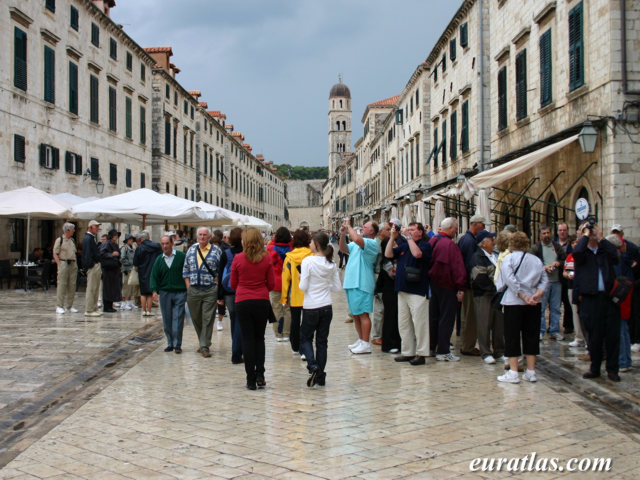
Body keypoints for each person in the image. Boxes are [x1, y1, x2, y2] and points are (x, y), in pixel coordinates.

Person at [496, 231, 547, 383]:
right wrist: (537, 293)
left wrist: (522, 294)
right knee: (531, 335)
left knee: (512, 336)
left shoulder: (509, 259)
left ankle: (513, 371)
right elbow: (544, 279)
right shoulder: (536, 260)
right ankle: (531, 371)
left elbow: (509, 280)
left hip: (513, 302)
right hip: (533, 303)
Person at [573, 221, 621, 382]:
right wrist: (585, 236)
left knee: (612, 335)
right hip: (590, 298)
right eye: (585, 230)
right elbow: (577, 252)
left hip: (608, 298)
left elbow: (616, 256)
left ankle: (613, 369)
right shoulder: (582, 252)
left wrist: (601, 238)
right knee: (594, 336)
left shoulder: (604, 250)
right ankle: (595, 367)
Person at [231, 228, 275, 390]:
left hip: (242, 301)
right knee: (259, 339)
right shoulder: (266, 259)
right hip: (261, 301)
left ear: (245, 241)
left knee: (247, 339)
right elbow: (271, 284)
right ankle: (260, 375)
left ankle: (250, 379)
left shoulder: (238, 258)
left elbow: (233, 284)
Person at [299, 232, 342, 387]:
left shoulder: (308, 261)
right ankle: (321, 376)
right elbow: (337, 287)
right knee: (322, 342)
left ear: (316, 244)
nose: (309, 244)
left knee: (305, 338)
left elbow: (303, 286)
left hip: (311, 306)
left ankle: (313, 365)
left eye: (311, 242)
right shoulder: (331, 263)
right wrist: (325, 286)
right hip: (326, 306)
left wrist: (300, 279)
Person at [386, 222, 432, 365]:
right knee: (404, 323)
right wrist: (392, 238)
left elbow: (417, 254)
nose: (410, 232)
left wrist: (409, 238)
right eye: (409, 229)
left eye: (412, 230)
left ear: (420, 232)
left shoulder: (425, 245)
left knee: (420, 324)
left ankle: (422, 353)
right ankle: (407, 351)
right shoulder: (405, 246)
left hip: (417, 290)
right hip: (402, 289)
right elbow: (388, 254)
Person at [340, 218, 380, 355]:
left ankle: (365, 343)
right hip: (352, 282)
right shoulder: (357, 244)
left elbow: (357, 239)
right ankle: (361, 340)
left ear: (372, 230)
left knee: (363, 314)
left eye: (365, 226)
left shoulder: (372, 243)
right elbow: (343, 249)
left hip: (362, 282)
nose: (362, 228)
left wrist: (349, 225)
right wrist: (342, 234)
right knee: (356, 314)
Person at [428, 218, 466, 362]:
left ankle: (432, 347)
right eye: (455, 228)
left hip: (434, 284)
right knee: (446, 318)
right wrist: (461, 287)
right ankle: (443, 350)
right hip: (447, 286)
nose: (456, 231)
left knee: (434, 317)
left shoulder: (433, 241)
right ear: (450, 228)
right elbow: (458, 268)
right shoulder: (450, 245)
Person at [182, 226, 222, 358]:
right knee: (196, 318)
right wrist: (188, 287)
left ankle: (204, 346)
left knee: (208, 318)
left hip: (210, 289)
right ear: (197, 236)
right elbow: (186, 269)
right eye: (200, 234)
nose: (202, 237)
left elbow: (220, 271)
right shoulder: (191, 250)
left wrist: (217, 286)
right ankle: (202, 341)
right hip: (193, 289)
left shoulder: (217, 251)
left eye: (205, 235)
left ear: (209, 237)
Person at [470, 230, 504, 364]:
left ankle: (500, 350)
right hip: (484, 295)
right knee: (484, 323)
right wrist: (494, 288)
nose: (494, 242)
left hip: (498, 295)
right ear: (483, 243)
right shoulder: (477, 257)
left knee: (498, 323)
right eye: (491, 239)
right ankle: (485, 352)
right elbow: (479, 278)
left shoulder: (495, 255)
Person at [151, 235, 187, 354]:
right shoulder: (159, 260)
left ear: (172, 243)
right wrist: (154, 291)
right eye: (163, 244)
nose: (165, 246)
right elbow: (154, 276)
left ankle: (177, 344)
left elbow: (187, 272)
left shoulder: (181, 257)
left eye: (167, 243)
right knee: (167, 318)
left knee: (178, 317)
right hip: (165, 292)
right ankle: (170, 343)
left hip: (180, 292)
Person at [457, 214, 486, 356]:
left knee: (468, 316)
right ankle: (467, 346)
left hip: (467, 285)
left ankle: (467, 344)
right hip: (469, 285)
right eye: (482, 224)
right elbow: (470, 265)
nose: (484, 227)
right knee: (469, 317)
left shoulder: (467, 239)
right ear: (475, 224)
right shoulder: (469, 241)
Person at [531, 225, 566, 341]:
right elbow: (531, 262)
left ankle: (554, 330)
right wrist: (544, 267)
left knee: (556, 308)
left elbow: (564, 259)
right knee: (541, 307)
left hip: (556, 281)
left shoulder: (556, 247)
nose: (546, 235)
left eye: (548, 233)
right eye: (544, 233)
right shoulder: (536, 248)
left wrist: (558, 263)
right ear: (540, 235)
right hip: (543, 283)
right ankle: (540, 331)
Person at [281, 229, 313, 358]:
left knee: (295, 321)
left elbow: (285, 279)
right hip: (309, 295)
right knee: (308, 322)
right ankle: (306, 348)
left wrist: (284, 298)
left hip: (295, 295)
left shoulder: (289, 258)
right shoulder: (312, 255)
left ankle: (295, 346)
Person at [610, 224, 640, 354]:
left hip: (627, 287)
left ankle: (635, 341)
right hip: (621, 286)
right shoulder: (614, 251)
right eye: (614, 232)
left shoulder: (630, 248)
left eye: (618, 232)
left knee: (630, 316)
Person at [218, 227, 244, 364]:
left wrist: (219, 295)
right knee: (241, 321)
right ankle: (238, 352)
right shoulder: (246, 254)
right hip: (242, 290)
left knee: (234, 319)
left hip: (228, 291)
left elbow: (220, 273)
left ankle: (236, 348)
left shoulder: (225, 253)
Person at [375, 222, 401, 354]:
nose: (396, 246)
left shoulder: (391, 260)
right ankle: (389, 343)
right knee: (390, 317)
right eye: (394, 244)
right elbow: (394, 275)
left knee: (393, 317)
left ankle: (394, 342)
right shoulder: (388, 262)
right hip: (389, 292)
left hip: (391, 292)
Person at [267, 227, 292, 342]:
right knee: (287, 308)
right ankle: (287, 333)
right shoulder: (291, 249)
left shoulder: (271, 248)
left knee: (276, 308)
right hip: (289, 281)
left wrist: (274, 239)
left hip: (275, 282)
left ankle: (278, 334)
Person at [563, 235, 587, 350]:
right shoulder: (569, 257)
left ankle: (587, 338)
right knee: (575, 312)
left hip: (582, 287)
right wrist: (567, 275)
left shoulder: (585, 256)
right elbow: (564, 272)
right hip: (571, 286)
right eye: (573, 243)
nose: (575, 245)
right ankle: (579, 337)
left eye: (577, 242)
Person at [133, 231, 162, 316]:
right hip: (154, 271)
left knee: (143, 292)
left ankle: (144, 310)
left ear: (142, 239)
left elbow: (135, 262)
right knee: (150, 292)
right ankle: (149, 311)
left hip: (143, 272)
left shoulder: (140, 248)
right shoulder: (157, 246)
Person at [371, 223, 391, 345]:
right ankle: (376, 335)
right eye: (388, 229)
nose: (390, 231)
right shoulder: (376, 244)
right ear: (381, 231)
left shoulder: (383, 242)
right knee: (379, 307)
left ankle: (380, 334)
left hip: (382, 276)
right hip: (378, 276)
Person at [53, 222, 78, 314]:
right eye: (73, 229)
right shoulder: (59, 240)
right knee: (62, 285)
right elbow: (55, 253)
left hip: (72, 263)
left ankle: (69, 306)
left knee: (72, 285)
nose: (74, 231)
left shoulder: (72, 240)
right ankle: (59, 305)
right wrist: (59, 264)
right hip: (63, 262)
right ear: (68, 230)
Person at [82, 220, 103, 317]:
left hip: (95, 264)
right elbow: (87, 254)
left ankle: (94, 307)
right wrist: (90, 265)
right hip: (92, 265)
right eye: (96, 227)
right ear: (90, 227)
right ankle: (89, 309)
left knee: (95, 287)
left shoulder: (91, 238)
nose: (97, 228)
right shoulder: (88, 238)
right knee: (91, 288)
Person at [557, 222, 574, 334]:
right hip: (556, 277)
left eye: (564, 230)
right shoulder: (554, 245)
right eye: (560, 230)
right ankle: (554, 326)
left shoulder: (571, 245)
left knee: (568, 303)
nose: (562, 232)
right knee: (555, 303)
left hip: (568, 278)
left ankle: (568, 325)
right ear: (558, 232)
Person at [100, 229, 122, 313]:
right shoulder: (107, 244)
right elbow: (102, 253)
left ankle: (110, 305)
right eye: (115, 235)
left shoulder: (115, 245)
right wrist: (111, 254)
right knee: (108, 288)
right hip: (108, 269)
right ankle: (106, 306)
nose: (116, 237)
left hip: (114, 269)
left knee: (112, 288)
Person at [211, 230, 226, 331]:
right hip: (213, 280)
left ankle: (219, 320)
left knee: (221, 301)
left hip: (220, 279)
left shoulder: (225, 250)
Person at [120, 234, 137, 310]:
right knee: (126, 286)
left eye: (132, 239)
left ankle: (129, 301)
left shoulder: (131, 248)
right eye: (130, 239)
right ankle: (123, 302)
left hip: (131, 269)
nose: (132, 241)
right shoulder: (125, 248)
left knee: (131, 287)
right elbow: (122, 258)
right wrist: (130, 263)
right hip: (127, 270)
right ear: (127, 240)